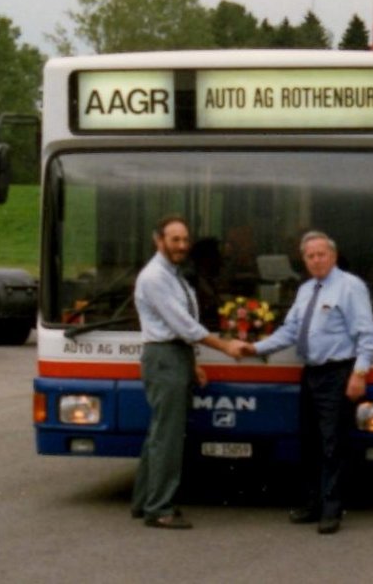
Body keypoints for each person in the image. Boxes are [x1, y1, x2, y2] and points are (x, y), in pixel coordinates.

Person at [242, 230, 373, 534]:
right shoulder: (306, 290)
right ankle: (312, 503)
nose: (316, 260)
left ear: (333, 255)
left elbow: (367, 335)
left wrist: (360, 374)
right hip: (312, 373)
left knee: (333, 444)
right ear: (303, 260)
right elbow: (290, 331)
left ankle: (332, 510)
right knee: (310, 441)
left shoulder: (349, 286)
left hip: (338, 372)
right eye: (310, 256)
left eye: (321, 254)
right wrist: (255, 349)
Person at [131, 215, 246, 530]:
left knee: (159, 433)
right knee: (167, 437)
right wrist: (225, 347)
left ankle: (145, 502)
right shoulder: (156, 277)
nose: (182, 245)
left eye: (185, 240)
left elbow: (178, 327)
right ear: (159, 241)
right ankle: (160, 508)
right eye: (174, 240)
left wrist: (192, 362)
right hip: (165, 357)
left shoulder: (173, 273)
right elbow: (183, 325)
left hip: (174, 356)